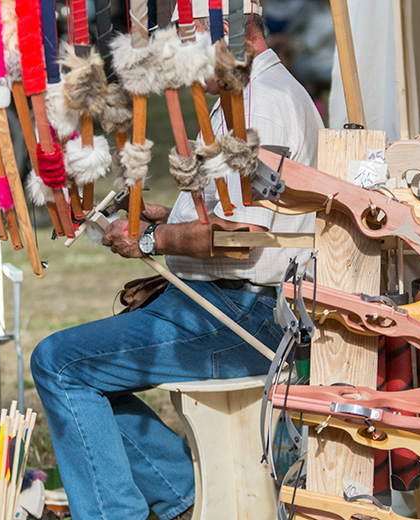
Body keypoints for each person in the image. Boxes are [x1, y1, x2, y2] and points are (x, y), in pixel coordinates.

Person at [30, 1, 324, 519]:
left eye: (188, 44)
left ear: (226, 34)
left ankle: (136, 508)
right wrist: (170, 216)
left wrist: (151, 240)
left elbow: (242, 236)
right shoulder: (250, 94)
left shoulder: (262, 103)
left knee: (60, 364)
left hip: (244, 316)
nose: (181, 62)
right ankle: (181, 497)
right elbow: (239, 214)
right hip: (232, 306)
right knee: (79, 367)